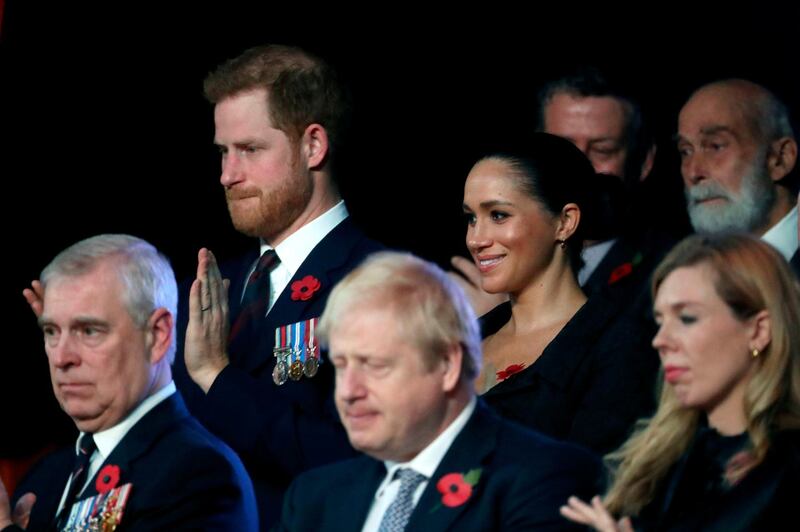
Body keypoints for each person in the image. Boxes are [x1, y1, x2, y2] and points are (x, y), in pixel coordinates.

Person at [171, 43, 384, 529]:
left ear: (313, 146)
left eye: (249, 150)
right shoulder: (209, 288)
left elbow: (359, 460)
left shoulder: (379, 280)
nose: (227, 175)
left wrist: (218, 377)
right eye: (223, 152)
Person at [277, 251, 601, 531]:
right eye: (342, 366)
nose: (348, 392)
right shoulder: (312, 498)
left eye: (374, 365)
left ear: (447, 364)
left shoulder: (543, 479)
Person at [8, 234, 258, 531]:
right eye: (51, 331)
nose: (62, 357)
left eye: (89, 331)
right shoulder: (46, 477)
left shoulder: (198, 473)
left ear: (158, 334)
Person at [561, 233, 800, 530]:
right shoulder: (652, 461)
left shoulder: (785, 471)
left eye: (687, 318)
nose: (661, 341)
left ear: (759, 330)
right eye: (660, 321)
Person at [463, 133, 659, 455]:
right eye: (471, 218)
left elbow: (592, 478)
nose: (476, 238)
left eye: (498, 215)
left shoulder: (616, 346)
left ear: (565, 222)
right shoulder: (466, 338)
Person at [452, 66, 678, 316]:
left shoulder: (672, 269)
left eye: (603, 150)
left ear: (644, 161)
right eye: (561, 148)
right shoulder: (485, 253)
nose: (579, 163)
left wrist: (506, 315)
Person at [677, 78, 798, 271]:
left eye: (716, 146)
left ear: (780, 158)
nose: (693, 172)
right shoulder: (687, 274)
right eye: (686, 151)